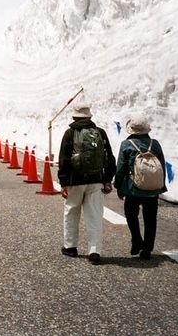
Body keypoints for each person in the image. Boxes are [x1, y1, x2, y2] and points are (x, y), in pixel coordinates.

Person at [57, 103, 116, 265]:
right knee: (95, 215)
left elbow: (63, 159)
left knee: (71, 212)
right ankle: (94, 250)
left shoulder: (70, 133)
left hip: (75, 181)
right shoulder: (100, 133)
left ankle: (70, 247)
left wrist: (63, 182)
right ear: (89, 117)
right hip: (96, 180)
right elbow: (109, 158)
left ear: (74, 117)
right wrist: (107, 179)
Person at [114, 115, 167, 260]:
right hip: (152, 190)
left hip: (133, 188)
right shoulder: (154, 144)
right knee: (150, 219)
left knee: (131, 214)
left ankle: (136, 239)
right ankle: (147, 249)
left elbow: (121, 167)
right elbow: (161, 165)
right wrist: (160, 186)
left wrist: (118, 185)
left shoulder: (127, 144)